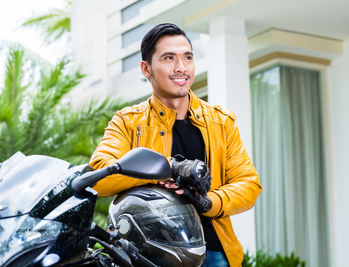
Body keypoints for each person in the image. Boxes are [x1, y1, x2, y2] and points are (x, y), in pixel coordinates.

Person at [89, 23, 262, 267]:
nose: (181, 68)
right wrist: (165, 168)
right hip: (148, 254)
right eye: (169, 58)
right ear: (146, 68)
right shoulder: (128, 122)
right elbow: (99, 175)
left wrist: (207, 202)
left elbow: (248, 185)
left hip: (213, 253)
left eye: (187, 58)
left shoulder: (221, 121)